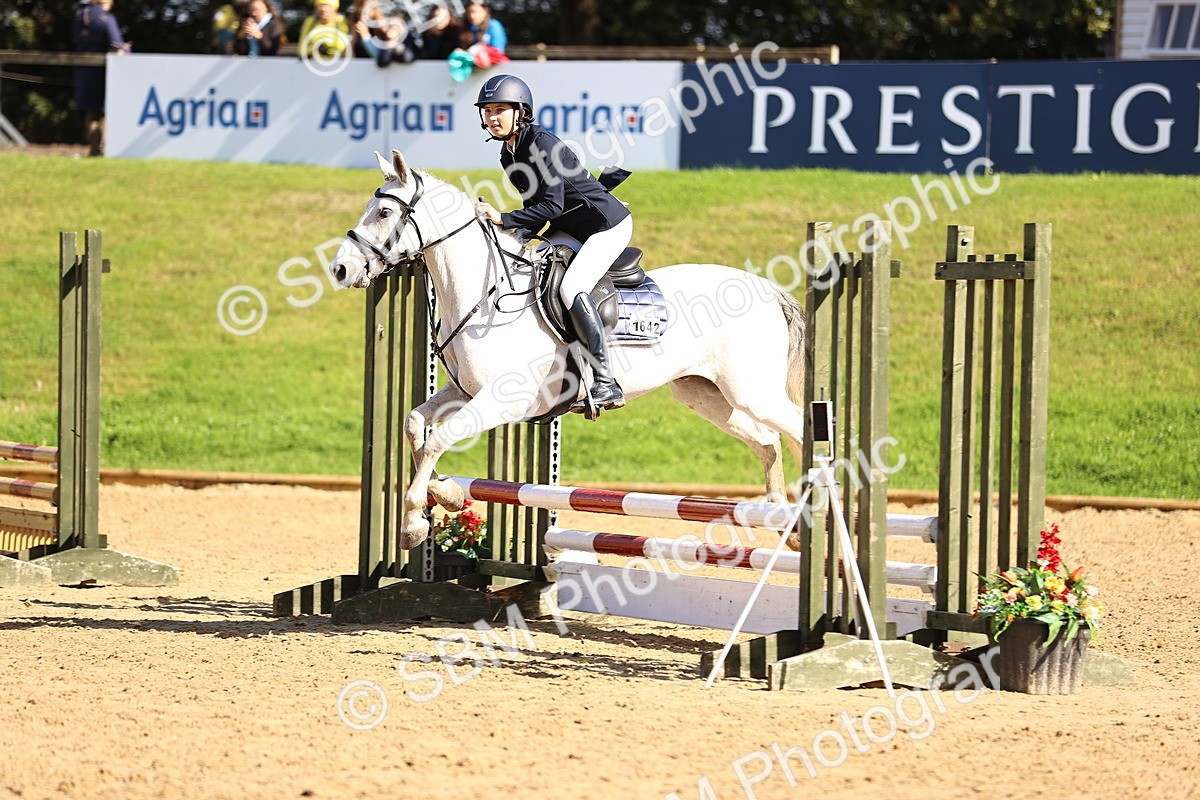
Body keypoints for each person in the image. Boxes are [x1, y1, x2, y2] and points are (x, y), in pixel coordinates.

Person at [475, 74, 631, 414]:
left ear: (521, 112)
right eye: (487, 111)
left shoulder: (541, 143)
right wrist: (517, 233)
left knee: (571, 286)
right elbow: (539, 209)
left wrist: (504, 218)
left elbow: (552, 206)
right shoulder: (508, 152)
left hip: (603, 225)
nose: (492, 118)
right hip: (568, 226)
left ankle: (606, 381)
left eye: (500, 110)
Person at [72, 0, 129, 157]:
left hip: (82, 70)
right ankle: (98, 151)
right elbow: (116, 44)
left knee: (90, 112)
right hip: (103, 72)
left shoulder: (79, 16)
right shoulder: (105, 18)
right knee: (104, 112)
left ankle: (94, 148)